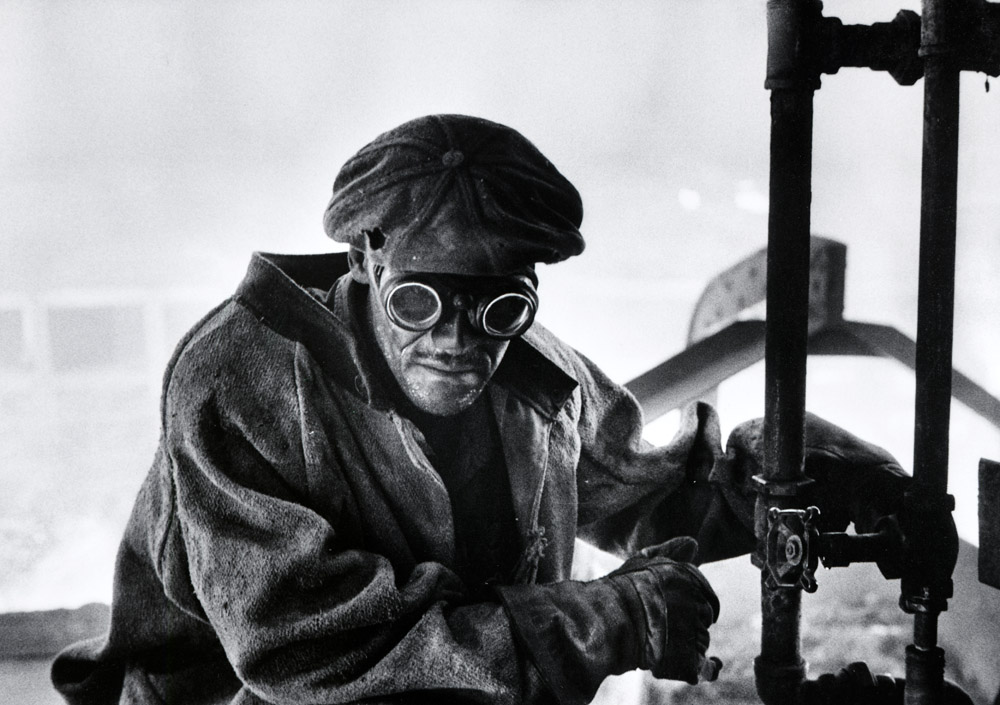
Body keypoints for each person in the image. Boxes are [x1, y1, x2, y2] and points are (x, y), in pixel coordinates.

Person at [51, 114, 910, 705]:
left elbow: (644, 497)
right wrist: (601, 620)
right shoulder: (240, 381)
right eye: (422, 302)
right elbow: (310, 656)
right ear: (365, 260)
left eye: (498, 307)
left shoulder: (536, 376)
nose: (461, 339)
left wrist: (765, 481)